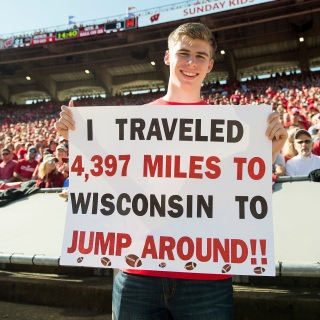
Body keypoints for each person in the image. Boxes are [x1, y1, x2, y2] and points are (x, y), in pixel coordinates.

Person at [55, 22, 288, 320]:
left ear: (210, 64)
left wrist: (266, 152)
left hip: (207, 275)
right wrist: (79, 141)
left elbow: (233, 189)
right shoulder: (133, 121)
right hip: (138, 269)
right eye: (184, 53)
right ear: (168, 57)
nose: (191, 62)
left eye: (200, 56)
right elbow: (113, 180)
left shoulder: (238, 127)